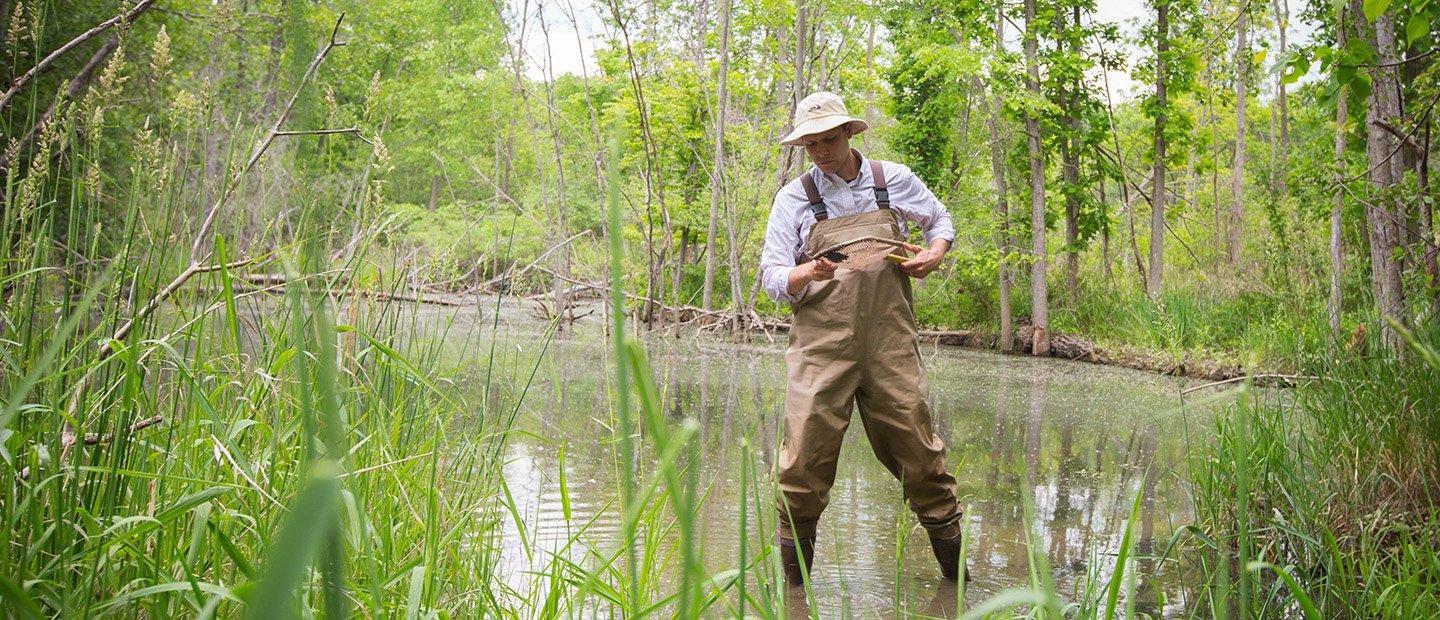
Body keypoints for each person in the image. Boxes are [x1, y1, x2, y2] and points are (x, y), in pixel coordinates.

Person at [759, 91, 966, 585]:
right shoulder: (793, 198)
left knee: (922, 459)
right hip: (820, 347)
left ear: (850, 133)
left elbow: (940, 222)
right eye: (810, 144)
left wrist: (934, 254)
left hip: (890, 342)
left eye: (828, 140)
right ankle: (795, 601)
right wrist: (806, 271)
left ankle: (958, 589)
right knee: (801, 467)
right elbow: (770, 277)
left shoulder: (891, 180)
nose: (820, 152)